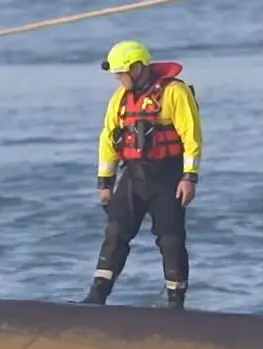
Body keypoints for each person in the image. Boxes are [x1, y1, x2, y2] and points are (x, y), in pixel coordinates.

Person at [80, 39, 202, 309]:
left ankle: (175, 302)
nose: (118, 80)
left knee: (171, 238)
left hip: (168, 175)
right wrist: (105, 182)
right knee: (116, 231)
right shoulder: (120, 99)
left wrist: (189, 177)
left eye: (121, 74)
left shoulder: (174, 92)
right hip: (134, 176)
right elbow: (109, 139)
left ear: (136, 69)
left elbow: (191, 136)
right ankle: (97, 295)